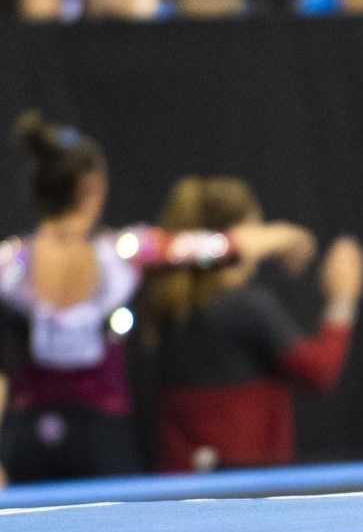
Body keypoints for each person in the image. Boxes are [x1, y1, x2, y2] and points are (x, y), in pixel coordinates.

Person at [0, 111, 313, 484]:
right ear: (93, 187)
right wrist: (288, 235)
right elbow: (222, 246)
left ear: (38, 189)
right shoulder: (125, 252)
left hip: (28, 436)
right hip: (104, 437)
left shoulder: (8, 263)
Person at [142, 177, 363, 472]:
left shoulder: (163, 304)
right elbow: (318, 372)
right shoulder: (244, 307)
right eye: (260, 227)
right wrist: (343, 298)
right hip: (244, 484)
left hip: (181, 484)